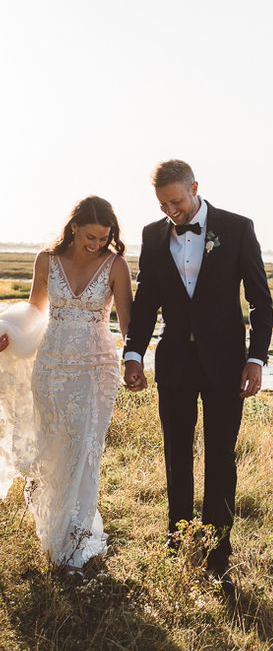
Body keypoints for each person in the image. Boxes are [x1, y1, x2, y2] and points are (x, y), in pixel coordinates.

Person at [123, 159, 273, 591]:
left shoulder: (238, 228)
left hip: (227, 363)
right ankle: (177, 541)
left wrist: (256, 359)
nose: (172, 210)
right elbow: (147, 298)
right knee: (176, 455)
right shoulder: (153, 236)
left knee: (221, 457)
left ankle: (217, 552)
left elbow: (260, 301)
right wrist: (133, 352)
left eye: (177, 201)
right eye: (163, 204)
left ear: (195, 188)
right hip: (173, 363)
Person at [0, 196, 132, 580]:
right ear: (74, 227)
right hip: (51, 366)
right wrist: (9, 335)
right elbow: (35, 311)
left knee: (84, 451)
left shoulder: (116, 265)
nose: (96, 245)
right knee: (53, 448)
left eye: (104, 238)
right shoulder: (46, 261)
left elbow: (127, 322)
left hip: (96, 369)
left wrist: (136, 360)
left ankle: (72, 547)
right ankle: (52, 527)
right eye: (90, 236)